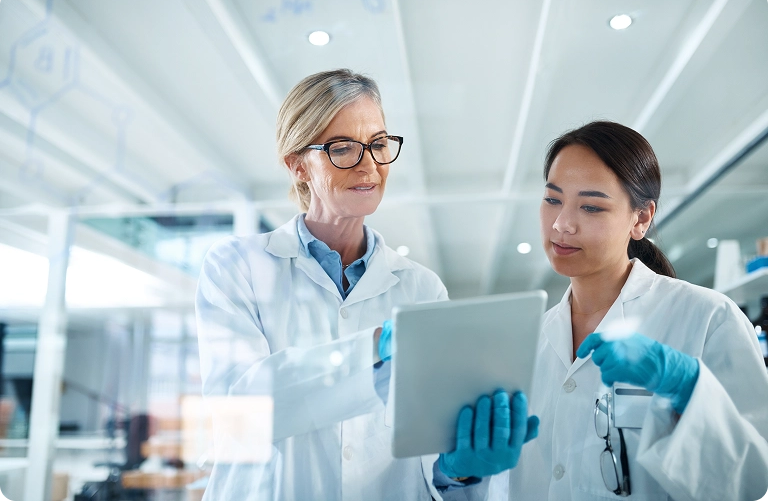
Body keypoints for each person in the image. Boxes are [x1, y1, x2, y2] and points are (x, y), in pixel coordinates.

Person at [436, 121, 768, 500]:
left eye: (591, 206)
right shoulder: (524, 345)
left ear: (640, 219)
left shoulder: (708, 318)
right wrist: (458, 476)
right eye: (552, 199)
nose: (562, 224)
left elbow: (756, 483)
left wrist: (686, 388)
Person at [195, 69, 449, 500]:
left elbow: (429, 443)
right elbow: (238, 414)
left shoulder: (423, 290)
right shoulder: (237, 267)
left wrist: (458, 470)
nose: (369, 164)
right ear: (297, 165)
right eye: (343, 148)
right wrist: (368, 352)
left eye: (379, 144)